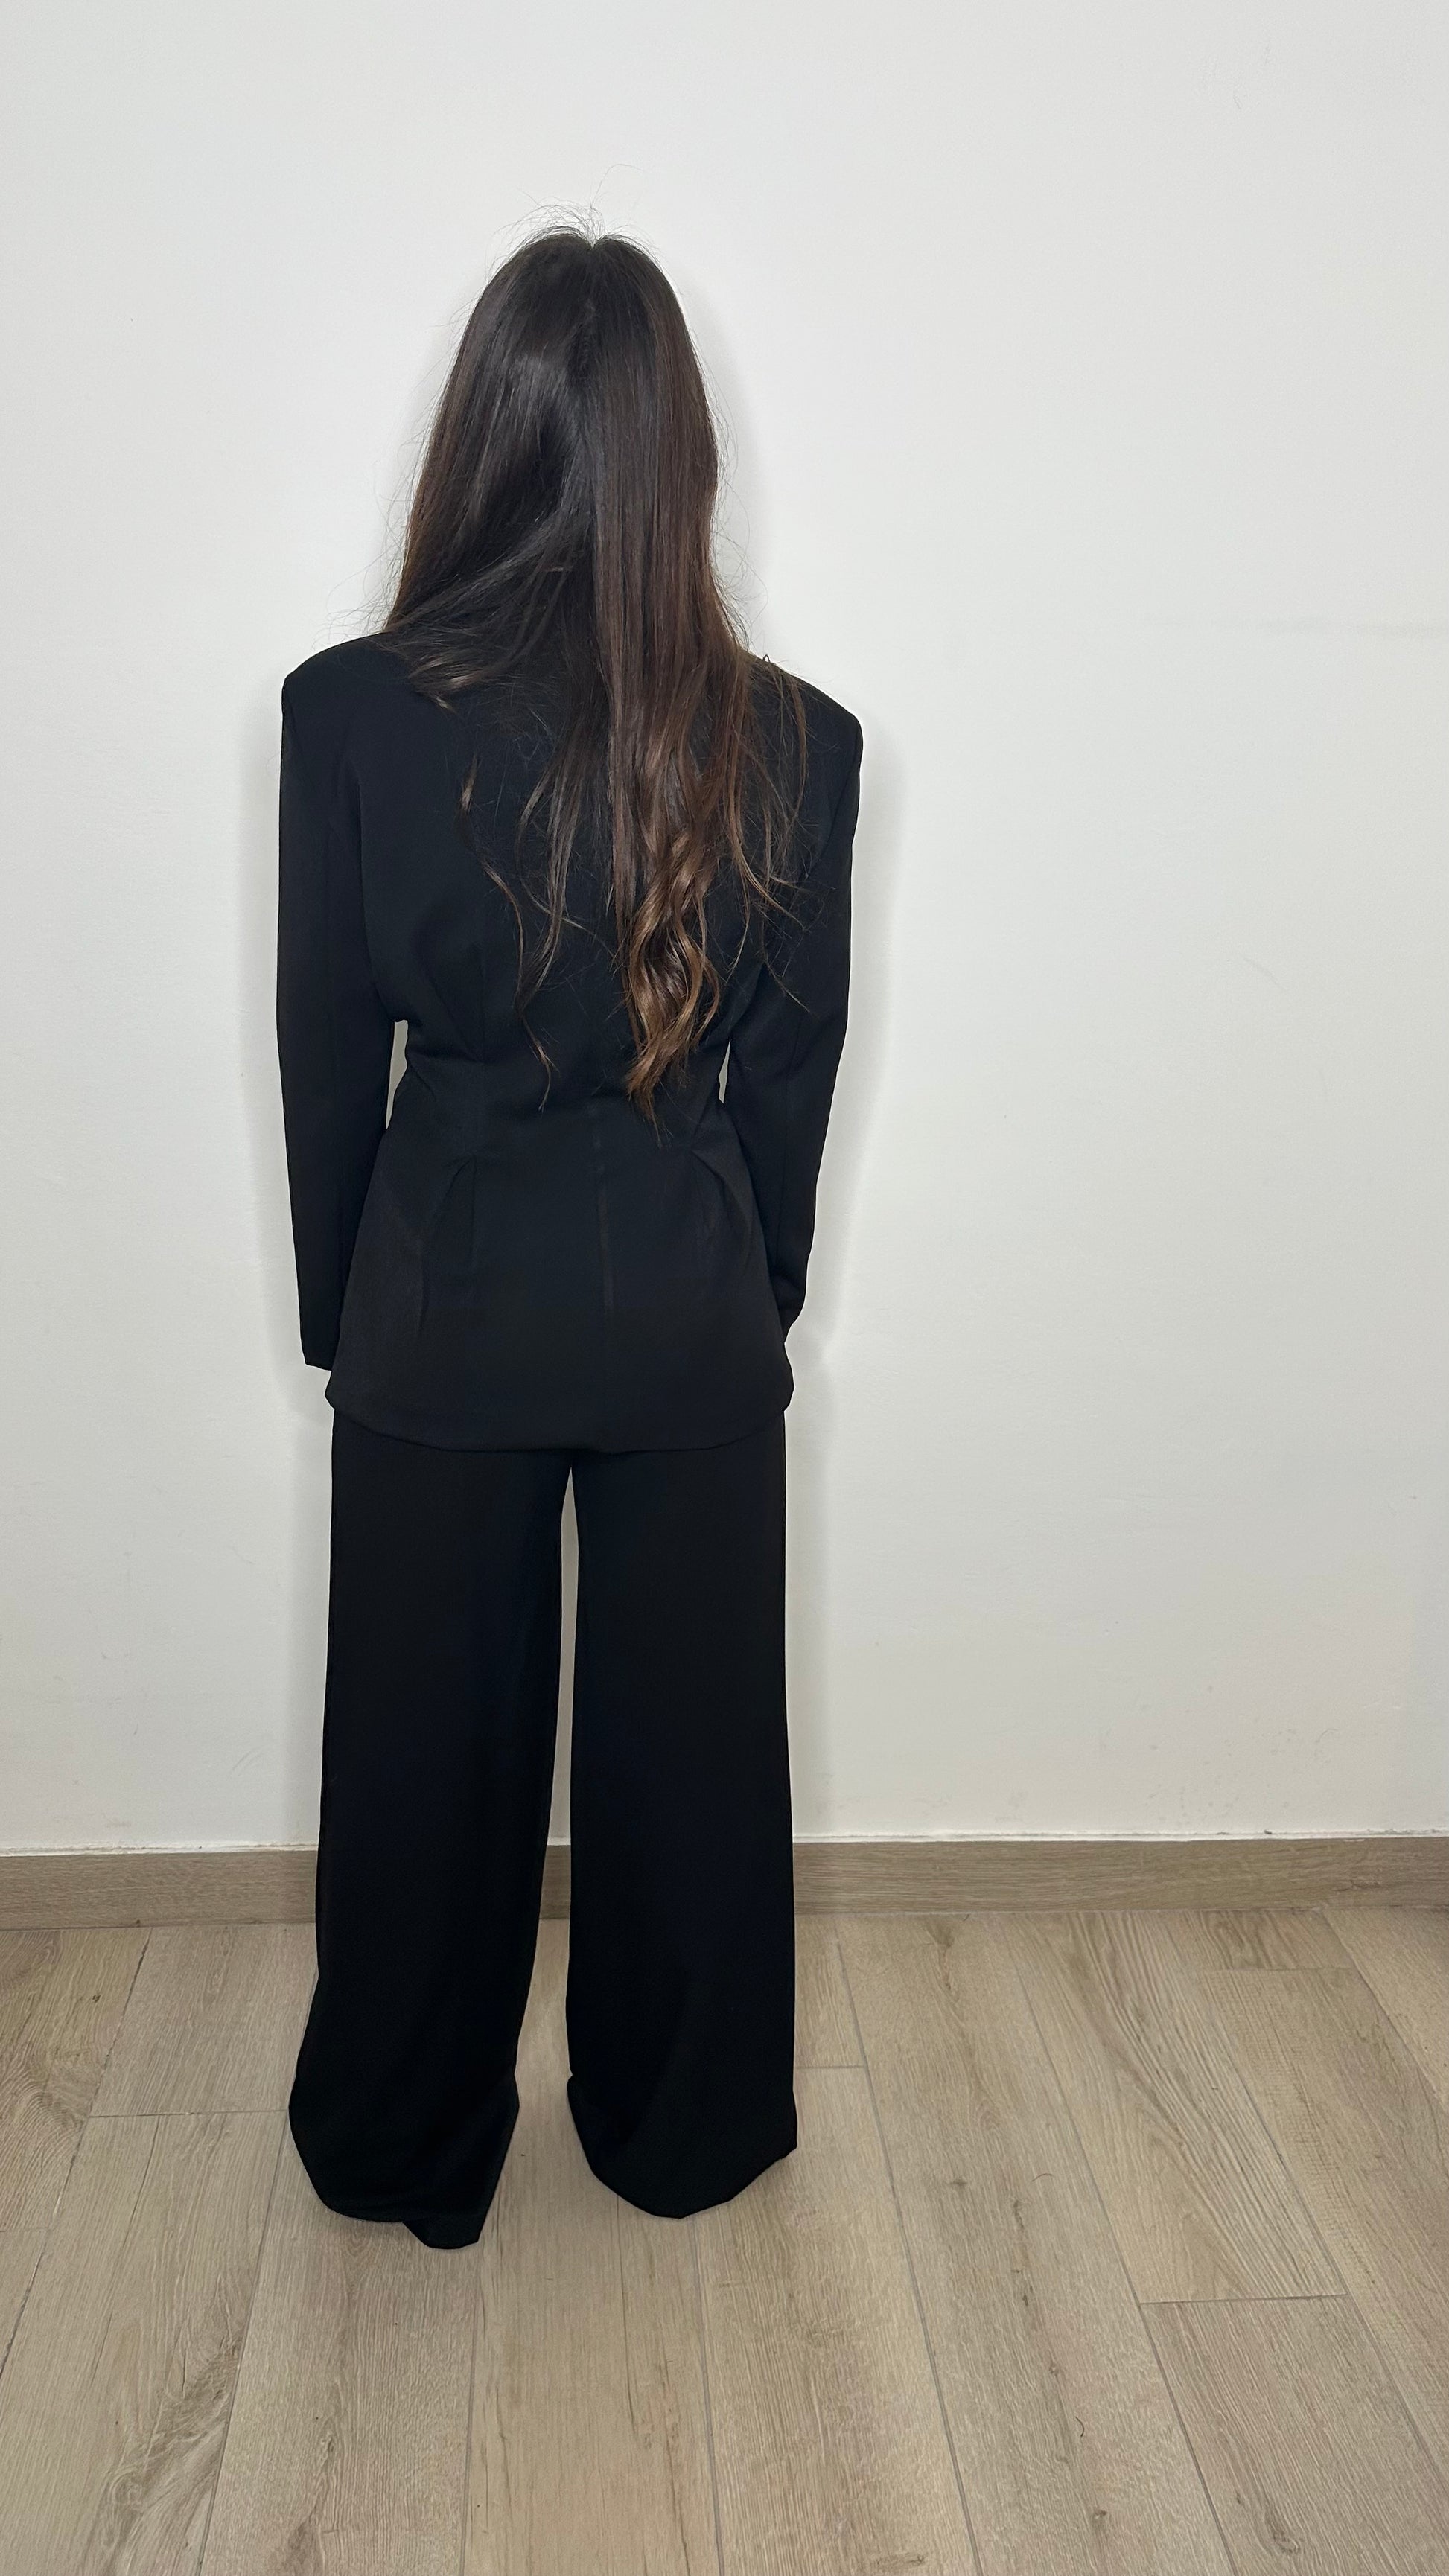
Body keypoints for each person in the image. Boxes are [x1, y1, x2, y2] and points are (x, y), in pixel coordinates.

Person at [276, 223, 864, 2250]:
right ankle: (684, 2127)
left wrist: (344, 1310)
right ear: (678, 453)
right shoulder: (796, 738)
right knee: (693, 1763)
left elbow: (325, 1042)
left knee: (420, 1767)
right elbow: (789, 1074)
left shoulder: (349, 713)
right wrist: (749, 1290)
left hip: (437, 1295)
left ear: (485, 434)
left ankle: (398, 2140)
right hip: (681, 1296)